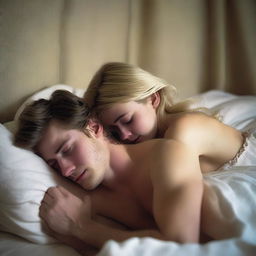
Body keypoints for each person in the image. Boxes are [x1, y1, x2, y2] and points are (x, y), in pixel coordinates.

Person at [14, 89, 254, 252]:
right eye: (54, 164)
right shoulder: (88, 200)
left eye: (66, 149)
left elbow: (180, 245)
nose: (65, 170)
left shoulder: (167, 155)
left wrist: (83, 228)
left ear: (94, 128)